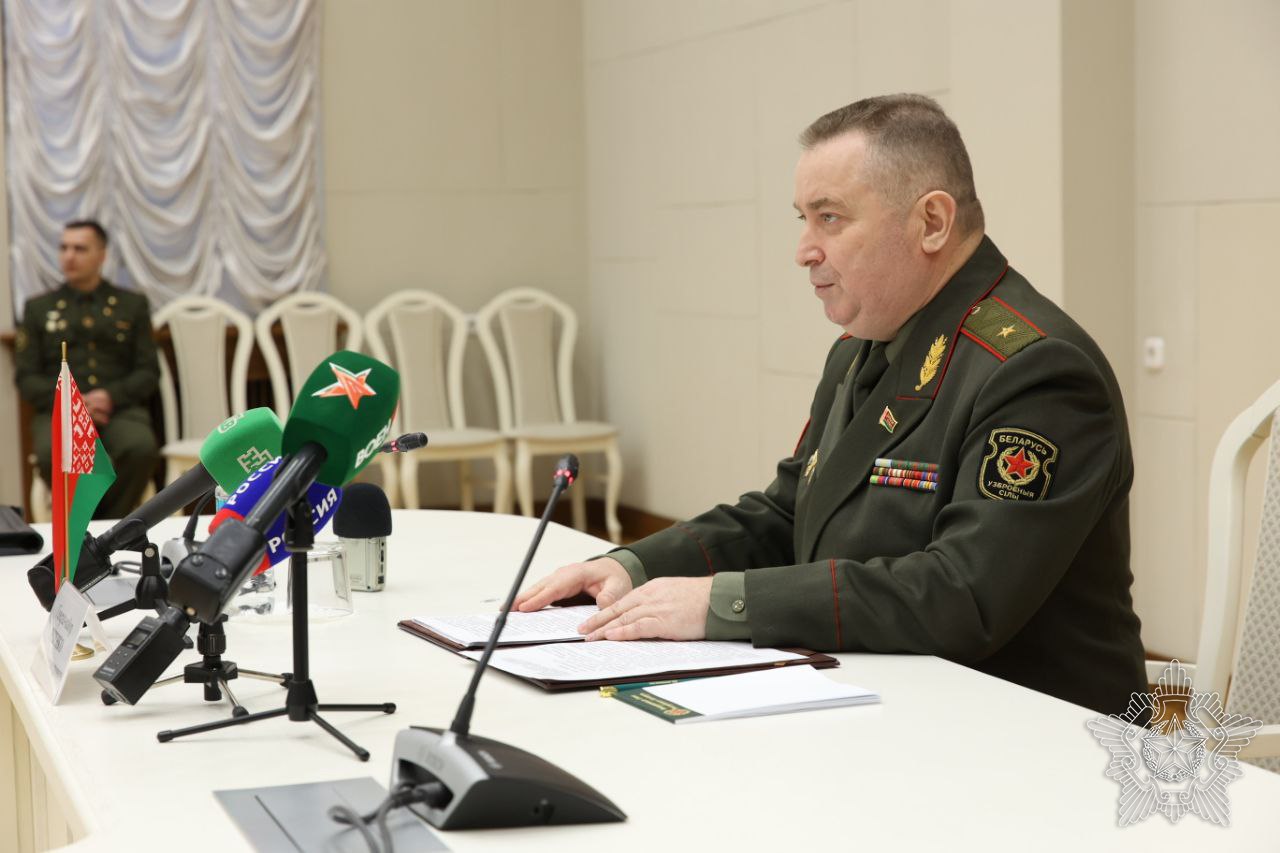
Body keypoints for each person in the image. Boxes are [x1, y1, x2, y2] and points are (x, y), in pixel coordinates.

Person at [515, 94, 1148, 715]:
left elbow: (962, 596)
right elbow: (788, 513)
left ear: (932, 222)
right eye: (803, 219)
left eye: (831, 218)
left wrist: (722, 603)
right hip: (895, 701)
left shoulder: (1035, 370)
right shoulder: (862, 350)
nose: (804, 250)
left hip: (1038, 734)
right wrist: (633, 568)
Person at [15, 219, 161, 519]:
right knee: (53, 453)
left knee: (140, 447)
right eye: (64, 248)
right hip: (61, 409)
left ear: (101, 255)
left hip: (118, 408)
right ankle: (92, 525)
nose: (69, 256)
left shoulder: (131, 305)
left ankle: (103, 525)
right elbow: (26, 377)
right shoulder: (38, 308)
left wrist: (110, 397)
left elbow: (148, 371)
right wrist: (74, 403)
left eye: (80, 249)